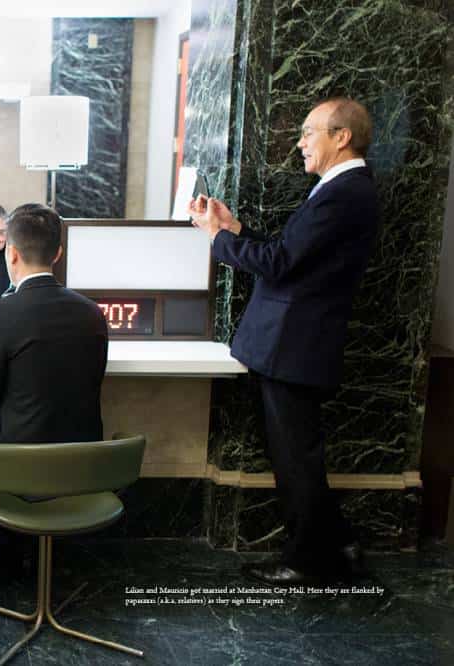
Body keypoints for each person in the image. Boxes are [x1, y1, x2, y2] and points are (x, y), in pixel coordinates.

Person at [188, 97, 379, 584]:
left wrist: (217, 238)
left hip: (296, 347)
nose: (299, 143)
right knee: (298, 454)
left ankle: (307, 561)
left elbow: (278, 265)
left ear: (342, 136)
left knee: (296, 459)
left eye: (309, 132)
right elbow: (289, 255)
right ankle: (339, 543)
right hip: (295, 346)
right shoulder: (339, 189)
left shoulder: (344, 193)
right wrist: (234, 228)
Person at [0, 204, 108, 579]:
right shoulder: (93, 315)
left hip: (17, 467)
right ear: (58, 254)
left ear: (11, 253)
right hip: (82, 464)